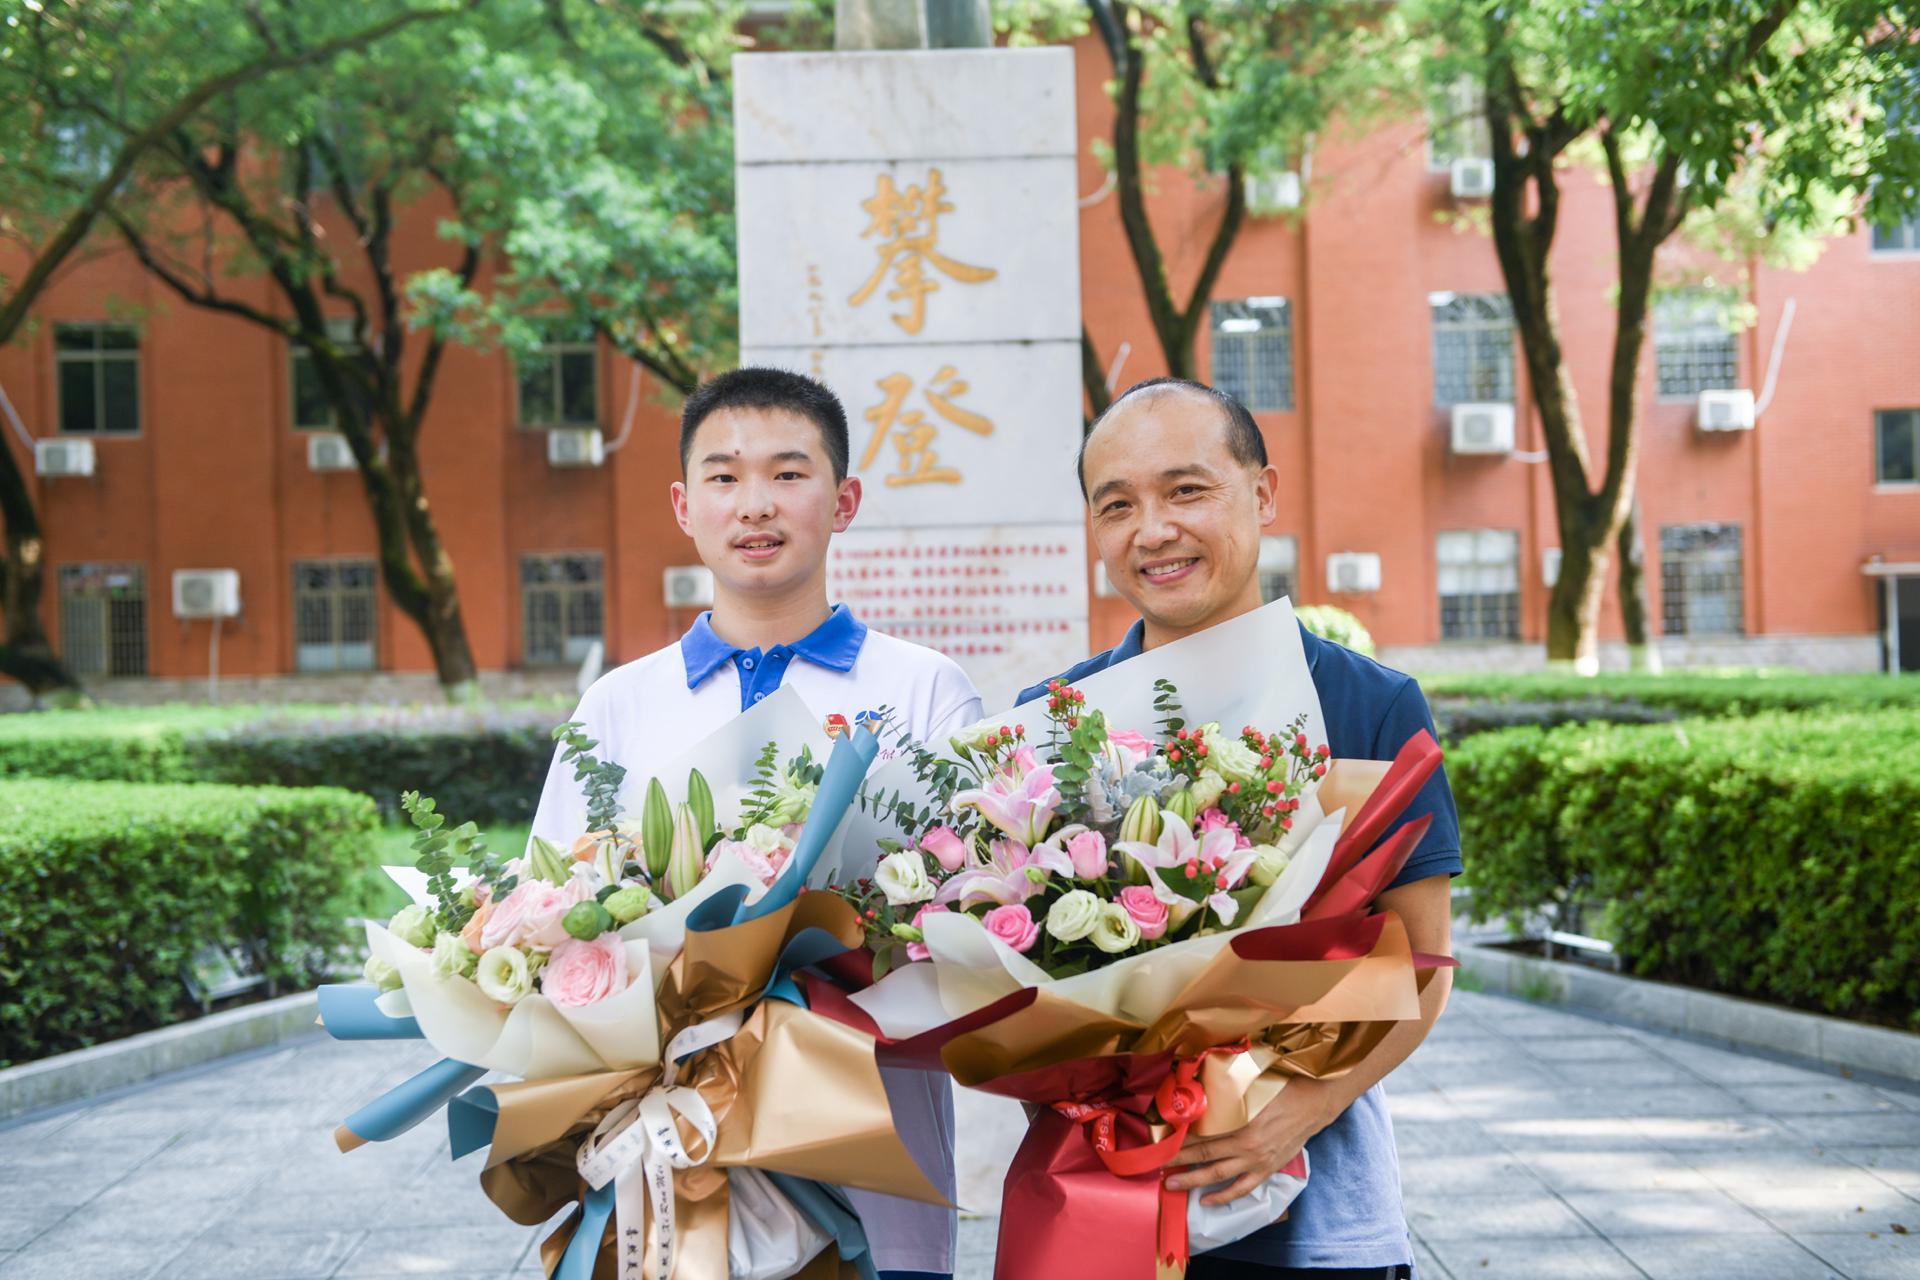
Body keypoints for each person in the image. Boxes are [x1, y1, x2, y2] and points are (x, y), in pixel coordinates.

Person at [530, 367, 979, 1280]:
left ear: (844, 500)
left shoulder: (925, 690)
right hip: (678, 1159)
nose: (755, 504)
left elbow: (968, 917)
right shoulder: (618, 706)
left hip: (874, 1141)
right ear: (684, 505)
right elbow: (552, 918)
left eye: (789, 473)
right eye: (724, 476)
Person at [1016, 377, 1460, 1280]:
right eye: (1118, 505)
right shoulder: (1054, 722)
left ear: (1260, 494)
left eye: (1187, 490)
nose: (1153, 530)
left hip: (1318, 1213)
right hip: (1109, 1204)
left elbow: (1423, 967)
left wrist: (1292, 1115)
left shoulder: (1369, 705)